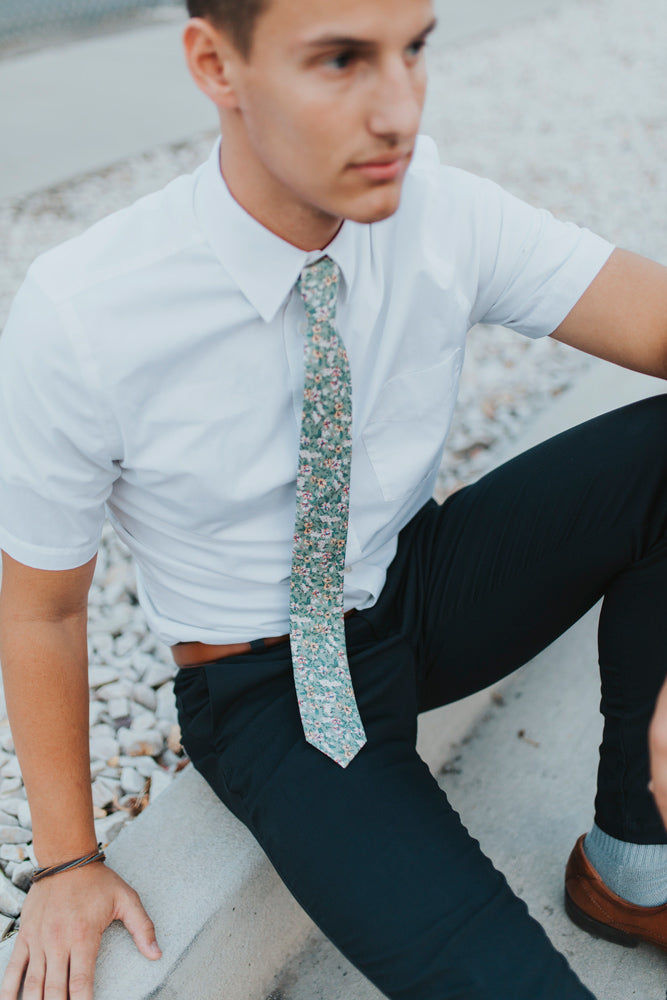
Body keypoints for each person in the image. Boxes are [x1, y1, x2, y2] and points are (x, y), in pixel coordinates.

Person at [0, 0, 666, 996]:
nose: (398, 109)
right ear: (215, 64)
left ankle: (634, 868)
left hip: (417, 588)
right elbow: (41, 605)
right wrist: (68, 860)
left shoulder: (439, 209)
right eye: (342, 60)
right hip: (265, 689)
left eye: (414, 50)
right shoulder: (87, 311)